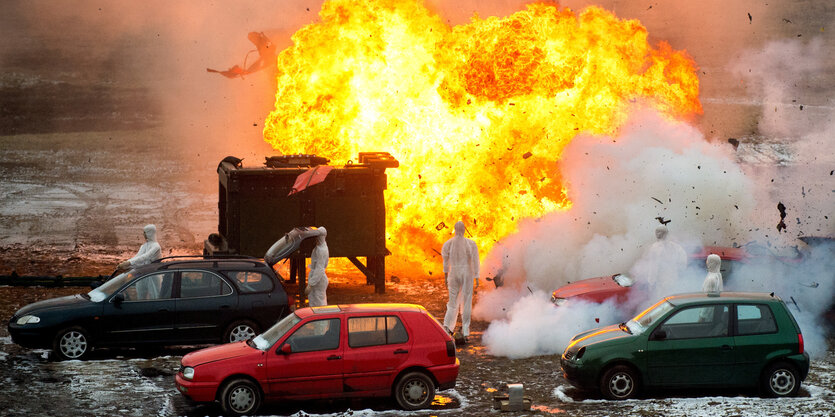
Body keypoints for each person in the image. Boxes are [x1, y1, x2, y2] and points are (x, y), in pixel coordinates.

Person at [442, 221, 480, 343]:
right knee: (466, 301)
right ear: (464, 229)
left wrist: (445, 275)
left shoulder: (447, 244)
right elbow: (475, 261)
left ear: (454, 229)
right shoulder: (471, 244)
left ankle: (447, 328)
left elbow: (445, 261)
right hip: (466, 273)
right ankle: (465, 330)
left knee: (452, 302)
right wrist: (476, 276)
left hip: (453, 273)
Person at [207, 31, 277, 79]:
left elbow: (270, 45)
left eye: (252, 38)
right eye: (251, 39)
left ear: (256, 36)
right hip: (267, 61)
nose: (252, 41)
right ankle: (239, 71)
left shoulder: (263, 39)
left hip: (271, 59)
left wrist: (265, 49)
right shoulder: (259, 44)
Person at [306, 227, 329, 307]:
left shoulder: (322, 250)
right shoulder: (320, 247)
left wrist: (311, 284)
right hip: (317, 278)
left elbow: (319, 269)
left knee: (319, 304)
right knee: (314, 301)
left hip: (319, 280)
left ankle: (321, 319)